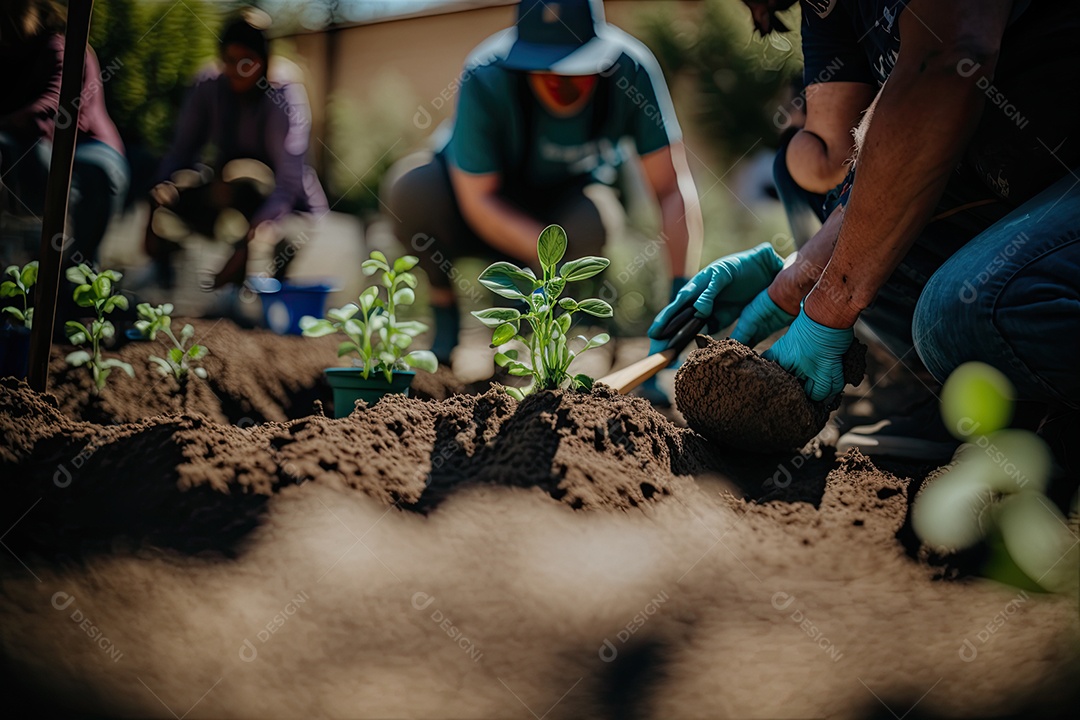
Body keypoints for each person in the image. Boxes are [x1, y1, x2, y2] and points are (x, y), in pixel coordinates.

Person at [651, 0, 1080, 462]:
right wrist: (791, 278)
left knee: (967, 313)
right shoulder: (828, 9)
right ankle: (945, 395)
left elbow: (946, 65)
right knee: (861, 225)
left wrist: (828, 308)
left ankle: (1051, 424)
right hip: (1009, 193)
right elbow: (861, 169)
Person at [385, 0, 703, 366]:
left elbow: (670, 189)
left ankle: (536, 334)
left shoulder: (630, 71)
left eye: (577, 67)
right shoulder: (485, 75)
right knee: (412, 190)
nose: (561, 81)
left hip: (561, 208)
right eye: (546, 68)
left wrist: (683, 298)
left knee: (593, 218)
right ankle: (445, 316)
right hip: (473, 206)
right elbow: (478, 200)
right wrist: (546, 264)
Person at [144, 14, 327, 290]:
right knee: (172, 200)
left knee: (283, 249)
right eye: (230, 60)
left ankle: (254, 297)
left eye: (247, 62)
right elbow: (181, 151)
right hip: (224, 197)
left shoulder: (284, 95)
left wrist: (250, 242)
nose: (237, 70)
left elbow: (289, 183)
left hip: (286, 210)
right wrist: (160, 193)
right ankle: (167, 283)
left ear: (263, 60)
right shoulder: (209, 86)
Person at [0, 0, 129, 269]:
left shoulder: (62, 49)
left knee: (94, 174)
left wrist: (13, 121)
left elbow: (57, 104)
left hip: (86, 144)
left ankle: (79, 274)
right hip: (27, 145)